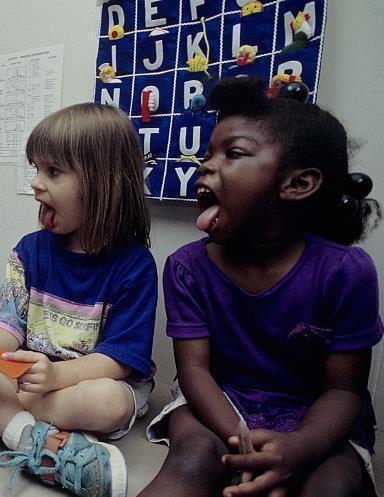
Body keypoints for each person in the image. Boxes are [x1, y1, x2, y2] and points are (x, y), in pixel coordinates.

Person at [140, 76, 383, 497]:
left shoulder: (347, 271)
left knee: (333, 484)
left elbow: (343, 389)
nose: (206, 165)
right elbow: (194, 370)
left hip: (313, 415)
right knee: (194, 457)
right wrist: (243, 441)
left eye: (232, 153)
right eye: (207, 154)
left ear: (298, 184)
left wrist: (301, 448)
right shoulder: (186, 267)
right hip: (217, 402)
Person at [0, 102, 158, 497]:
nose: (36, 183)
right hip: (27, 380)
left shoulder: (134, 265)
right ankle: (24, 434)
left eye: (52, 171)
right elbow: (7, 328)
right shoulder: (29, 251)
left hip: (87, 381)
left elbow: (119, 360)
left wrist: (56, 376)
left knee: (110, 402)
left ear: (102, 181)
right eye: (36, 168)